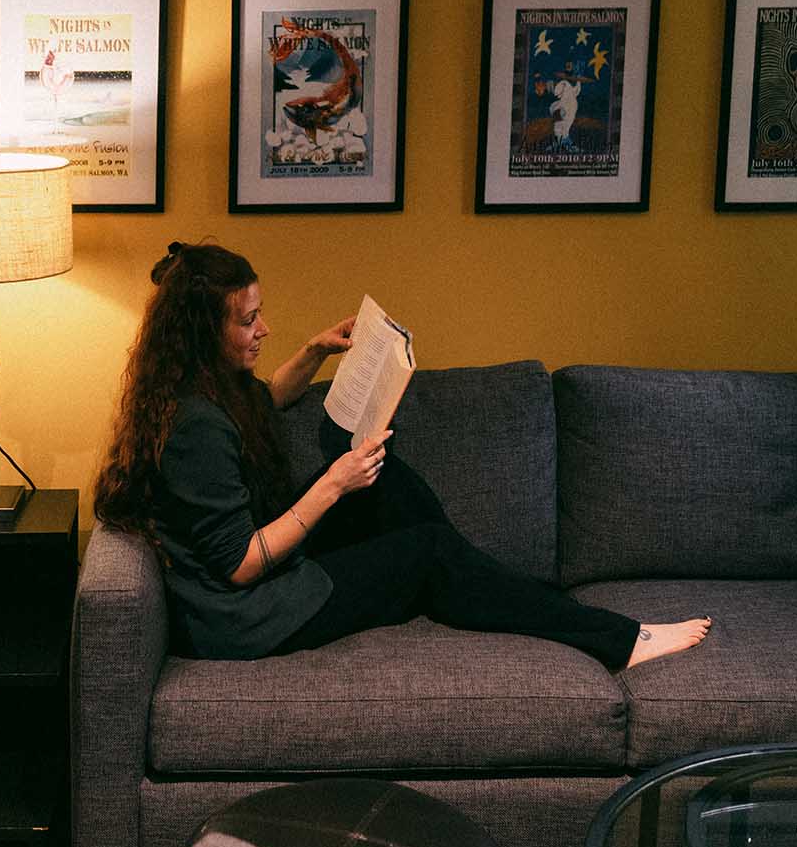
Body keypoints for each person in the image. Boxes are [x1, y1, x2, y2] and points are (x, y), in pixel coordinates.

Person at [92, 241, 712, 667]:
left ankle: (498, 590)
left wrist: (314, 352)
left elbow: (265, 401)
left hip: (264, 575)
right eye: (250, 320)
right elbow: (240, 566)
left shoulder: (207, 382)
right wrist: (332, 484)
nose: (264, 328)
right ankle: (619, 639)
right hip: (249, 615)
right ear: (204, 330)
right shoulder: (193, 425)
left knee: (390, 487)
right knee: (427, 549)